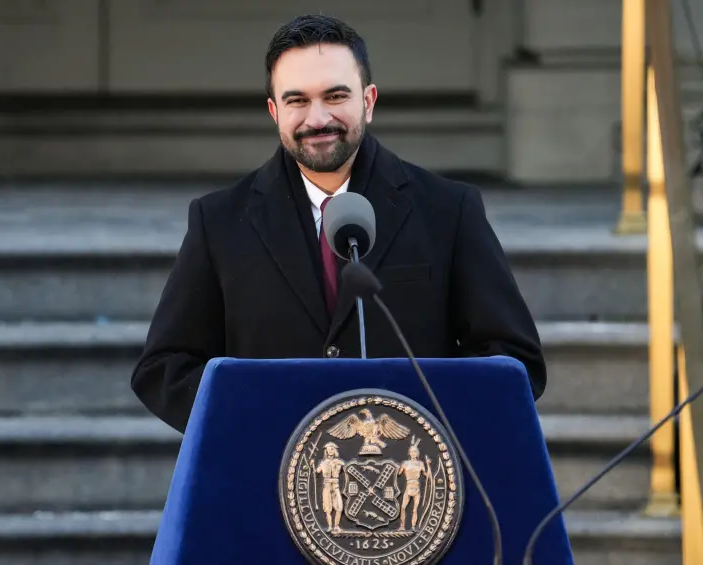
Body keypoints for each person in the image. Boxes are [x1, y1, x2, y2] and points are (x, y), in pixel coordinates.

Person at [131, 14, 546, 433]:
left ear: (368, 101)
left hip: (411, 482)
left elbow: (515, 361)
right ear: (274, 111)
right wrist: (252, 421)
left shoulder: (449, 209)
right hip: (267, 481)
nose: (317, 119)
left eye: (335, 96)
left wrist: (426, 427)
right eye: (297, 101)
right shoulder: (218, 222)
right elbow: (164, 368)